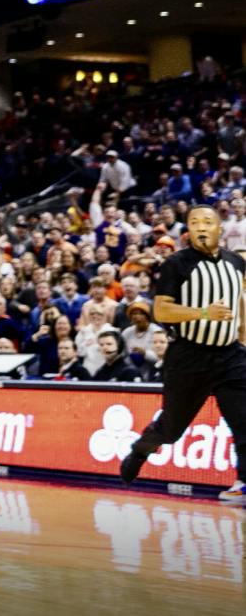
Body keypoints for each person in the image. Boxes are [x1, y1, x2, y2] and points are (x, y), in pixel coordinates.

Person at [118, 205, 246, 504]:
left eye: (208, 221)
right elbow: (161, 310)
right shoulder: (176, 263)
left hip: (230, 355)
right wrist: (203, 313)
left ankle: (242, 483)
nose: (202, 227)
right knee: (172, 429)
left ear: (219, 228)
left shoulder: (237, 264)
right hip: (189, 356)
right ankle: (140, 450)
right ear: (187, 229)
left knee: (245, 421)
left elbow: (240, 307)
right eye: (195, 222)